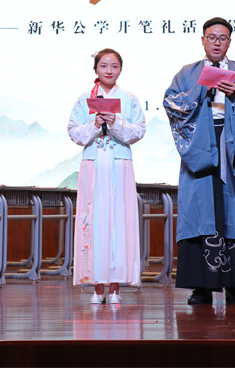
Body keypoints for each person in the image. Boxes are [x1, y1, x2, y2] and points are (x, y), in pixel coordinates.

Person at [163, 18, 235, 305]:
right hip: (200, 144)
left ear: (229, 42)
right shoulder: (187, 73)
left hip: (232, 144)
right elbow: (171, 102)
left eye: (223, 38)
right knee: (201, 212)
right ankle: (201, 287)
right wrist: (200, 89)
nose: (217, 42)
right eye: (211, 37)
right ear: (202, 40)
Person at [68, 48, 146, 305]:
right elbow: (74, 133)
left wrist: (115, 122)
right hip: (93, 164)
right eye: (103, 66)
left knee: (119, 221)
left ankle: (115, 288)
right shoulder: (84, 100)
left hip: (120, 164)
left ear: (120, 70)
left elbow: (138, 131)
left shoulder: (129, 98)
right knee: (95, 220)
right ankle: (97, 287)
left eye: (114, 66)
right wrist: (94, 124)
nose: (109, 71)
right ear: (96, 70)